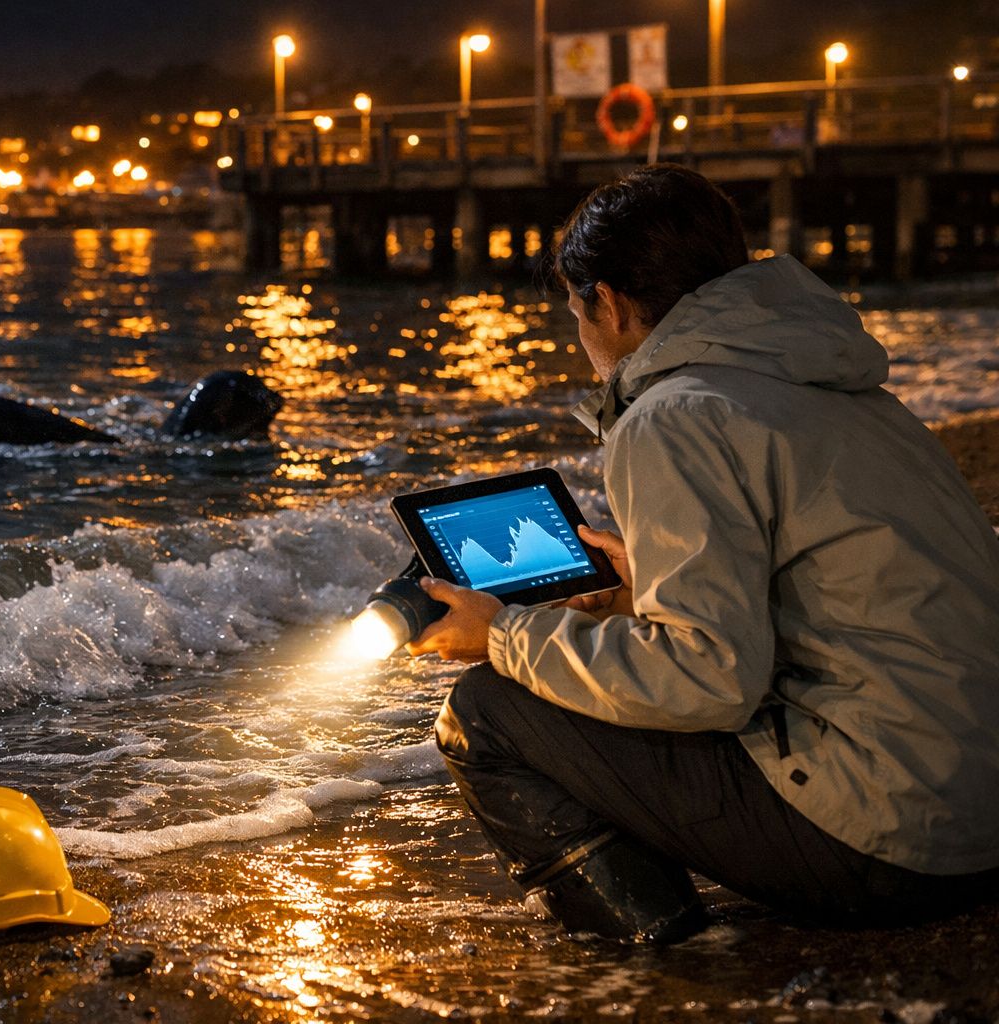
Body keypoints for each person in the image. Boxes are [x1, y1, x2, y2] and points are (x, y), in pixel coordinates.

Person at [408, 164, 999, 943]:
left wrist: (505, 636)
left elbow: (709, 678)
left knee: (486, 712)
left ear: (607, 304)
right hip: (977, 809)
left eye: (575, 312)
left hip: (897, 841)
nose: (581, 337)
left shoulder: (673, 415)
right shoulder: (838, 384)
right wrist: (645, 589)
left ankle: (660, 955)